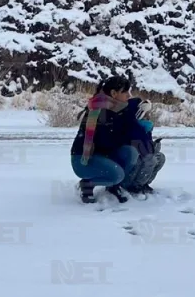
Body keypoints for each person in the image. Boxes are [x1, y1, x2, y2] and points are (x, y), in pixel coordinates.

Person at [70, 75, 140, 204]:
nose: (128, 96)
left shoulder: (117, 108)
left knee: (131, 153)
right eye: (125, 92)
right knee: (118, 175)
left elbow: (125, 133)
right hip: (84, 159)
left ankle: (113, 186)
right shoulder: (98, 111)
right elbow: (106, 142)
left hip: (104, 154)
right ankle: (87, 184)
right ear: (114, 93)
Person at [121, 93, 166, 195]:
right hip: (131, 166)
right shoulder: (132, 128)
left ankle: (144, 183)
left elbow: (146, 148)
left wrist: (154, 146)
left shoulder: (144, 127)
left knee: (160, 157)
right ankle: (134, 185)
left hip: (141, 158)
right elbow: (141, 149)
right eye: (145, 113)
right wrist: (151, 148)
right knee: (151, 159)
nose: (148, 116)